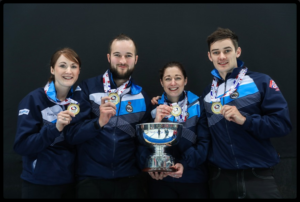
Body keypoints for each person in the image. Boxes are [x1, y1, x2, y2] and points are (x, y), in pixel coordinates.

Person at [201, 27, 292, 198]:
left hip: (258, 176)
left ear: (238, 51)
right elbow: (202, 133)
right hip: (221, 178)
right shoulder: (207, 94)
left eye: (227, 51)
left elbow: (282, 125)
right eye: (216, 52)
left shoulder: (261, 81)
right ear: (209, 56)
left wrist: (245, 120)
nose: (222, 57)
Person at [64, 34, 152, 199]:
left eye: (128, 55)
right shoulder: (86, 89)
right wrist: (98, 123)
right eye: (117, 55)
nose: (123, 61)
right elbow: (71, 135)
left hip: (130, 181)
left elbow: (143, 143)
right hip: (91, 179)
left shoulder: (142, 96)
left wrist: (151, 166)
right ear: (109, 57)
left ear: (136, 59)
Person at [13, 47, 81, 198]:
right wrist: (54, 128)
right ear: (52, 69)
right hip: (39, 184)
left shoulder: (79, 102)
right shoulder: (33, 100)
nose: (68, 71)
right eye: (62, 65)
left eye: (73, 66)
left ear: (78, 72)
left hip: (70, 183)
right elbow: (21, 145)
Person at [146, 61, 210, 198]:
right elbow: (143, 146)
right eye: (168, 79)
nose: (173, 83)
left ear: (185, 80)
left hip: (193, 178)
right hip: (161, 181)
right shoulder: (152, 108)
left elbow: (204, 142)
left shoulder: (199, 105)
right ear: (161, 82)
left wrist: (184, 164)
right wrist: (156, 122)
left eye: (178, 78)